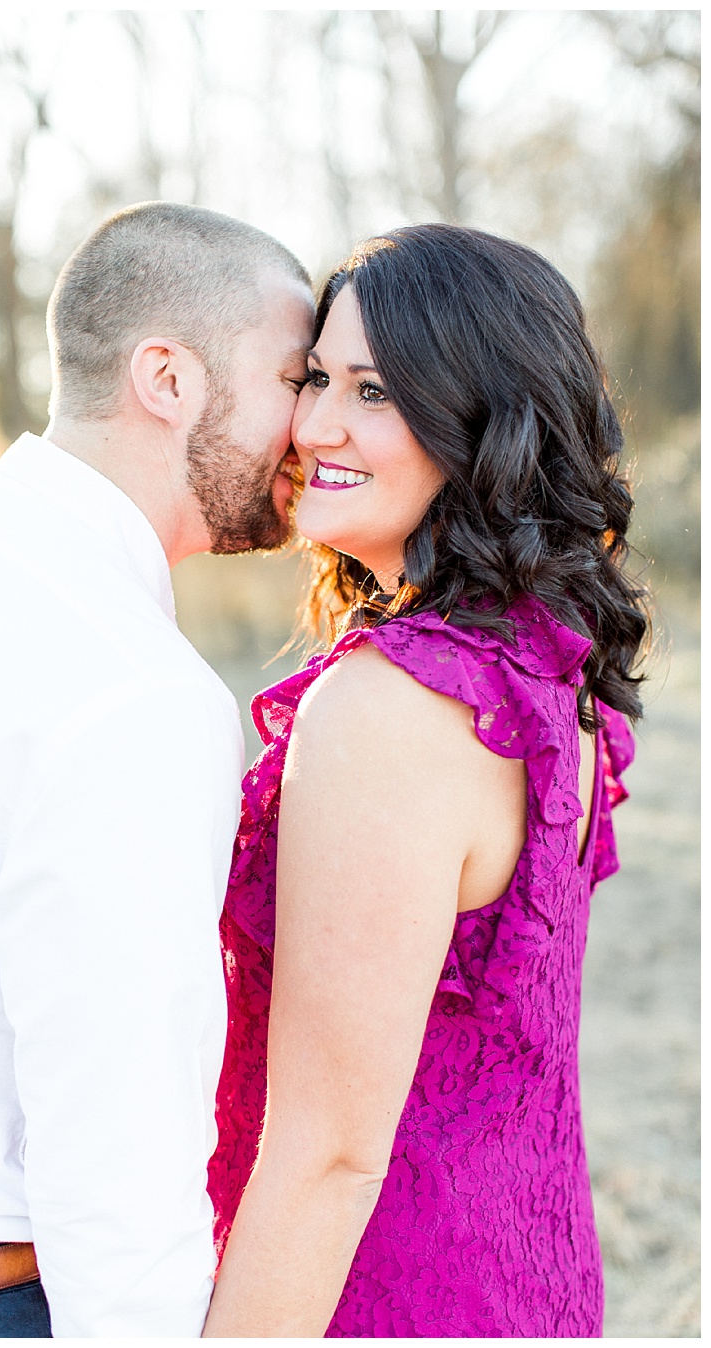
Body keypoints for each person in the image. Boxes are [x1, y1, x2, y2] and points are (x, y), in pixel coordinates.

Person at [0, 202, 315, 1337]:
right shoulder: (137, 686)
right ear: (167, 377)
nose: (313, 419)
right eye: (294, 376)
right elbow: (117, 1142)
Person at [203, 225, 646, 1336]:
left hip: (387, 1295)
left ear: (482, 422)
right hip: (531, 1280)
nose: (315, 427)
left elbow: (333, 1157)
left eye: (374, 391)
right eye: (314, 380)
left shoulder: (392, 710)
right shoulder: (551, 671)